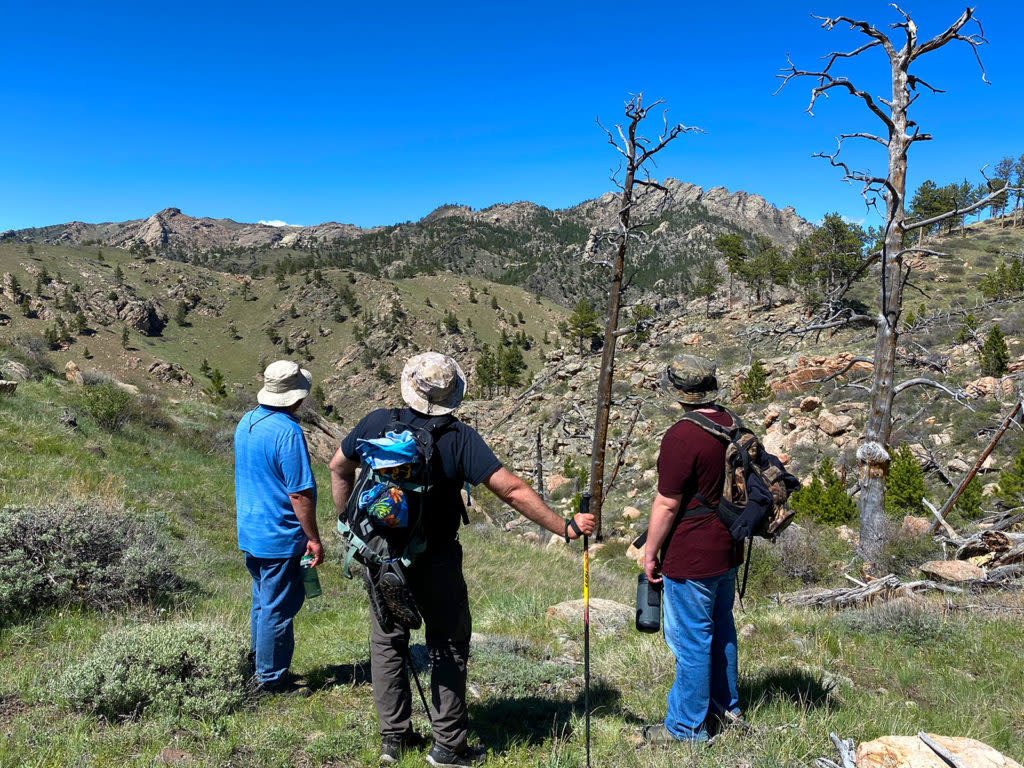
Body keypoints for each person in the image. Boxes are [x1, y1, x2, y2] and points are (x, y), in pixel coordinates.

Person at [329, 352, 595, 767]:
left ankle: (393, 740)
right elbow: (511, 491)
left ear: (411, 387)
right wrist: (564, 527)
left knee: (388, 643)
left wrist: (352, 526)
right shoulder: (458, 437)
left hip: (380, 555)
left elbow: (338, 467)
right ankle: (448, 747)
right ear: (452, 395)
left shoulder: (376, 422)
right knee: (448, 645)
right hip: (435, 557)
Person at [642, 354, 755, 744]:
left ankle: (686, 728)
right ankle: (727, 709)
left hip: (692, 552)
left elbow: (667, 503)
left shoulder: (682, 435)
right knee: (722, 630)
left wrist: (650, 552)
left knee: (691, 640)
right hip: (727, 546)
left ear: (678, 393)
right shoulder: (732, 424)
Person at [235, 359, 324, 696]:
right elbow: (299, 494)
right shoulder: (287, 432)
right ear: (296, 398)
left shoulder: (247, 421)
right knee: (278, 608)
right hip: (280, 534)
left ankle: (259, 665)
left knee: (262, 601)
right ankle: (271, 679)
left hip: (252, 530)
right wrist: (313, 538)